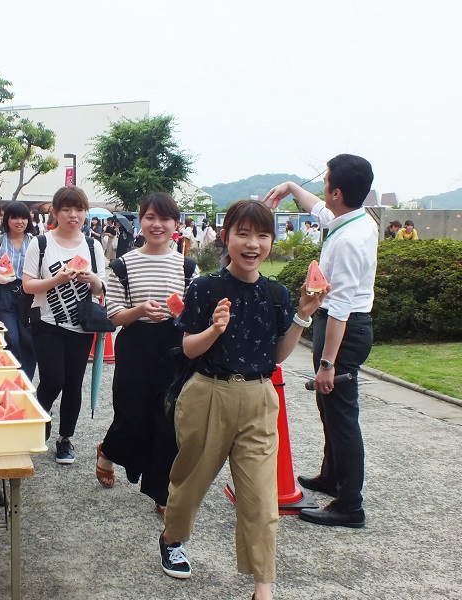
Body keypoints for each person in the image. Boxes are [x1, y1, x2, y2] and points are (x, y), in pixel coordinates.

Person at [157, 199, 326, 600]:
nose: (253, 244)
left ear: (271, 241)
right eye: (243, 234)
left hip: (259, 397)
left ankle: (262, 588)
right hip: (207, 393)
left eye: (262, 235)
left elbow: (279, 354)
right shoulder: (205, 287)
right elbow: (189, 349)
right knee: (191, 480)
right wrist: (215, 329)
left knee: (261, 500)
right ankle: (172, 537)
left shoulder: (277, 293)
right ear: (226, 236)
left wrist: (303, 314)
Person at [264, 153, 377, 530]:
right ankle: (331, 475)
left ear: (337, 191)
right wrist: (291, 188)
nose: (322, 187)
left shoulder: (347, 242)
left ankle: (350, 505)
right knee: (330, 409)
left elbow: (341, 307)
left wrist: (328, 364)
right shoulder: (355, 219)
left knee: (342, 417)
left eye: (325, 181)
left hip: (344, 330)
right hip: (343, 326)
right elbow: (320, 212)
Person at [98, 192, 195, 514]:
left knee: (167, 421)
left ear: (176, 224)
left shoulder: (187, 266)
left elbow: (192, 313)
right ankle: (108, 450)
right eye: (150, 217)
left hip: (174, 346)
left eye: (165, 218)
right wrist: (139, 310)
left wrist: (181, 317)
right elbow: (114, 317)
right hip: (135, 344)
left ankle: (161, 492)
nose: (157, 224)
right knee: (131, 413)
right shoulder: (121, 265)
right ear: (140, 222)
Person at [23, 186, 106, 464]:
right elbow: (28, 285)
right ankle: (38, 425)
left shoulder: (93, 246)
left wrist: (91, 279)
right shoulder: (41, 243)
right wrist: (57, 280)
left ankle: (65, 439)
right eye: (66, 209)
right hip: (46, 322)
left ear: (85, 213)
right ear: (55, 212)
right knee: (53, 379)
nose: (73, 215)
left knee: (73, 383)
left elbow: (101, 288)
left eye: (79, 209)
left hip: (81, 326)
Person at [0, 201, 37, 380]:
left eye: (23, 217)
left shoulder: (35, 242)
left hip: (29, 294)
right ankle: (11, 377)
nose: (20, 221)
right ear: (7, 220)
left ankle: (25, 379)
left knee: (29, 341)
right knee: (11, 337)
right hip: (3, 293)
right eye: (15, 217)